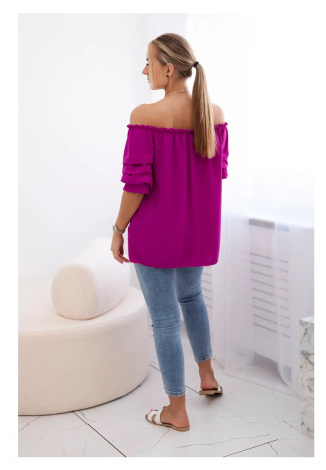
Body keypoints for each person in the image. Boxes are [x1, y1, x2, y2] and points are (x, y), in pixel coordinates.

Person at [111, 33, 229, 432]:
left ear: (169, 68)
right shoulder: (214, 114)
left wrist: (118, 229)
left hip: (157, 234)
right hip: (197, 231)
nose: (144, 70)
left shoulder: (145, 115)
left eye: (149, 62)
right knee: (192, 297)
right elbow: (217, 174)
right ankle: (207, 377)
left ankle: (176, 411)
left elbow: (136, 185)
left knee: (164, 321)